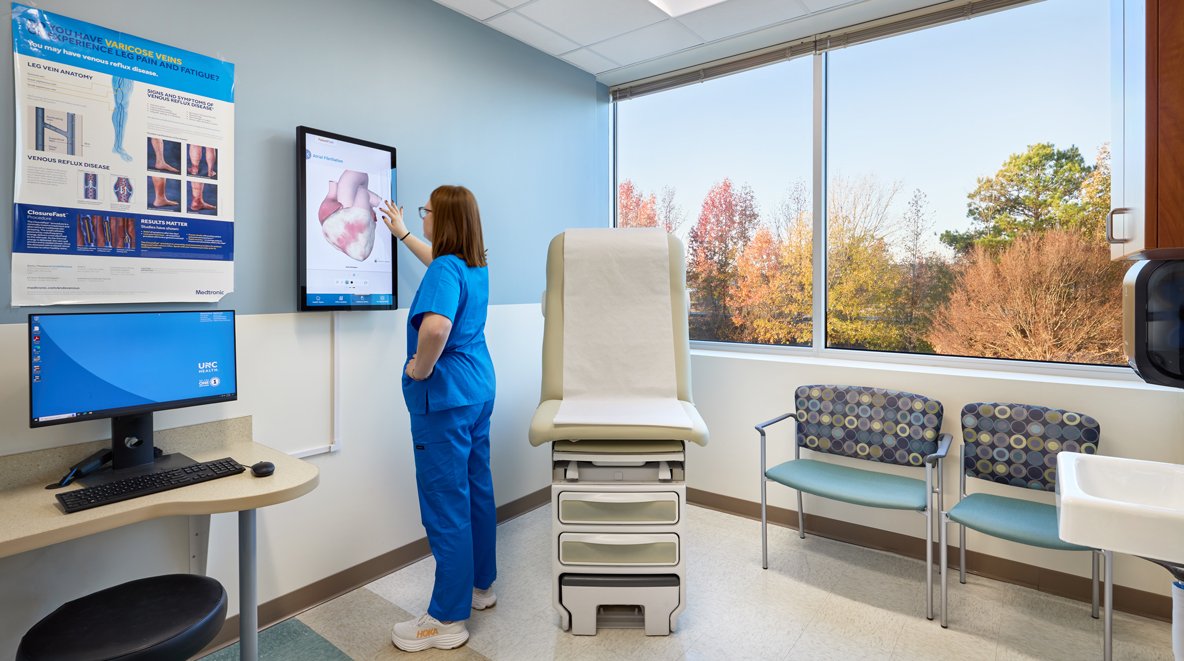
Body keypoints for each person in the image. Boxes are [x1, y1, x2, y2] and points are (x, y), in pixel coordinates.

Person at [380, 186, 497, 653]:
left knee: (446, 506)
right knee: (476, 494)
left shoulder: (448, 268)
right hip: (477, 391)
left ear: (443, 220)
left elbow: (435, 326)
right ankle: (480, 587)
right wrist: (404, 234)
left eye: (426, 212)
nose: (423, 216)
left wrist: (419, 368)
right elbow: (441, 265)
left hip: (445, 399)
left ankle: (447, 619)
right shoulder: (473, 264)